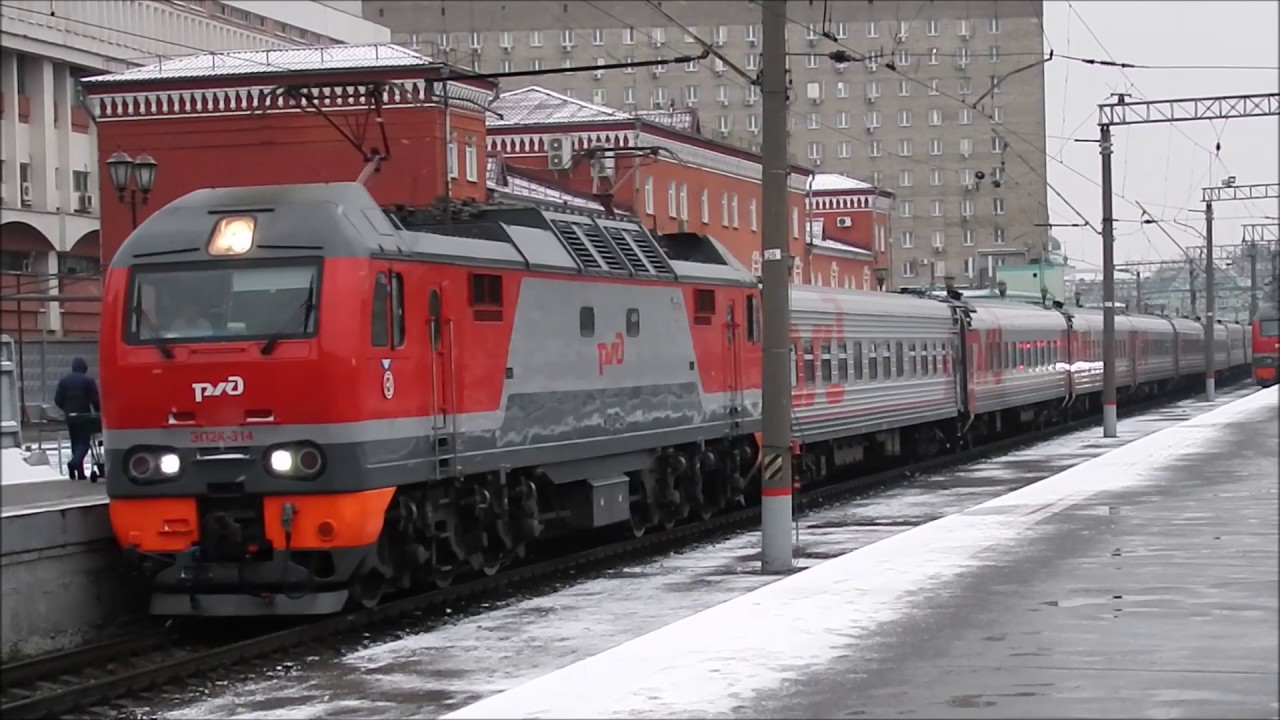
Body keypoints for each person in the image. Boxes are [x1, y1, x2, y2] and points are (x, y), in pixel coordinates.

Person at [53, 357, 102, 481]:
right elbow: (95, 399)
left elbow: (58, 399)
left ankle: (80, 473)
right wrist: (98, 412)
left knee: (75, 443)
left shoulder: (64, 381)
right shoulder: (88, 381)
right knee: (84, 443)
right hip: (84, 416)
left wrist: (66, 409)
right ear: (84, 368)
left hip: (70, 416)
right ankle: (74, 463)